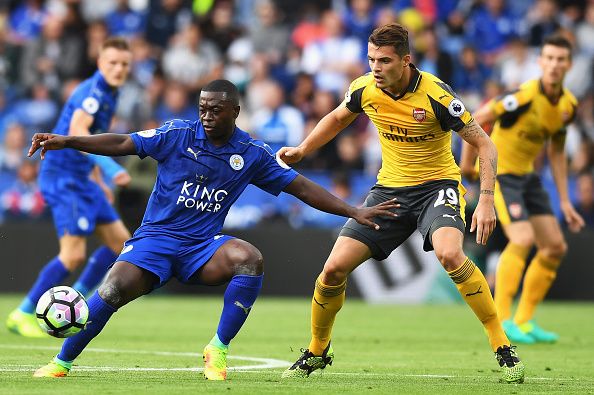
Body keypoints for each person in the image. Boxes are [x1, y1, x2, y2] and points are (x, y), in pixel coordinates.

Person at [28, 79, 398, 381]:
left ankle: (217, 349)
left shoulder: (251, 153)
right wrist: (68, 141)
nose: (206, 115)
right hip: (153, 241)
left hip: (202, 248)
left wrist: (352, 210)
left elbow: (299, 187)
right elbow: (125, 142)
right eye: (202, 107)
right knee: (109, 291)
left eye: (215, 110)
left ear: (235, 112)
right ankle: (61, 363)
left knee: (249, 259)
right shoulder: (176, 134)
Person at [278, 23, 525, 383]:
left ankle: (501, 343)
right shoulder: (364, 89)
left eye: (384, 60)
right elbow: (336, 118)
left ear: (406, 61)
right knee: (332, 270)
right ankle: (317, 350)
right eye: (371, 59)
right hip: (389, 192)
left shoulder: (437, 96)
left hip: (437, 187)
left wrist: (486, 199)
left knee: (451, 254)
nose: (375, 67)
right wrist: (303, 149)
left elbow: (486, 144)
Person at [460, 34, 585, 344]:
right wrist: (467, 166)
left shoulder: (568, 106)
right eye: (549, 59)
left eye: (561, 60)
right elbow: (475, 119)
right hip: (501, 176)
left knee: (555, 247)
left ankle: (525, 321)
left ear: (569, 65)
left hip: (528, 178)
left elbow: (556, 151)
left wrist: (566, 203)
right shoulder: (525, 96)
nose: (555, 65)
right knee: (523, 238)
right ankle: (502, 321)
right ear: (540, 62)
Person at [6, 37, 133, 338]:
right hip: (64, 178)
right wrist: (111, 168)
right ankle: (22, 313)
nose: (118, 69)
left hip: (83, 178)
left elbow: (95, 138)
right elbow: (78, 131)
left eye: (124, 64)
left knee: (121, 244)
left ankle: (75, 303)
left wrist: (98, 180)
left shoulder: (112, 93)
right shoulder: (92, 92)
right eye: (112, 63)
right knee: (73, 255)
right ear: (100, 63)